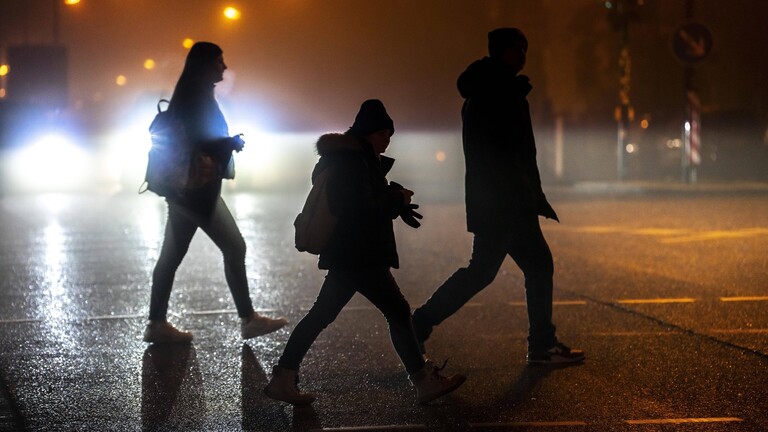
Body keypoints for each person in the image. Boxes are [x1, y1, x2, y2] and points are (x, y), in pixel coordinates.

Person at [263, 100, 465, 405]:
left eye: (389, 135)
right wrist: (395, 199)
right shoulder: (352, 162)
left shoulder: (357, 159)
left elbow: (363, 200)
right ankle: (424, 380)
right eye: (383, 133)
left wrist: (395, 200)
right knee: (397, 311)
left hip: (350, 253)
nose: (387, 140)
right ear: (369, 132)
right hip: (359, 254)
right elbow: (358, 210)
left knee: (323, 314)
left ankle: (283, 377)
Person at [411, 28, 585, 365]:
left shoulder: (493, 90)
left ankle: (541, 343)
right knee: (488, 270)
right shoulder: (496, 93)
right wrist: (521, 195)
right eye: (516, 48)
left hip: (502, 201)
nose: (522, 55)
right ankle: (420, 324)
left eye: (525, 48)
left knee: (526, 266)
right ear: (500, 52)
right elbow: (504, 155)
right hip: (505, 203)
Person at [143, 42, 287, 343]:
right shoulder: (197, 94)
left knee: (170, 256)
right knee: (235, 247)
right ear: (205, 64)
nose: (224, 66)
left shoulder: (190, 91)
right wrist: (230, 143)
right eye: (219, 61)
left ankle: (156, 324)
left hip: (184, 189)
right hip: (198, 190)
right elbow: (201, 139)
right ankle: (248, 319)